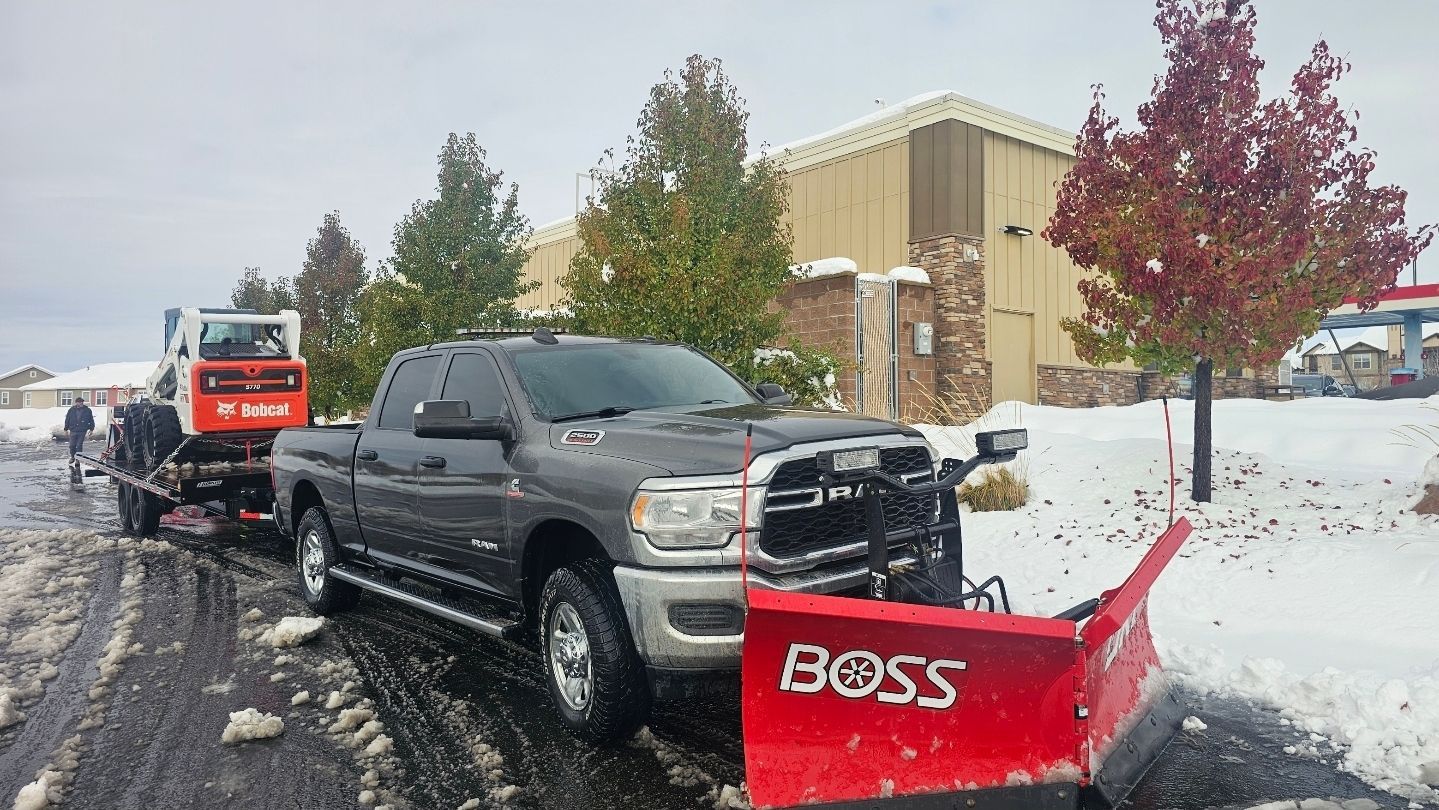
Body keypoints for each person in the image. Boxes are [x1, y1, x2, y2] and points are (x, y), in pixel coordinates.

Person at [64, 397, 95, 464]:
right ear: (76, 403)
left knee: (79, 445)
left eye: (81, 402)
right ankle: (72, 457)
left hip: (82, 430)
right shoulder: (71, 410)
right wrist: (65, 429)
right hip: (73, 429)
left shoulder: (87, 410)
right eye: (79, 402)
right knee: (72, 445)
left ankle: (78, 459)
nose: (81, 403)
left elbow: (91, 420)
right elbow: (67, 419)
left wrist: (91, 429)